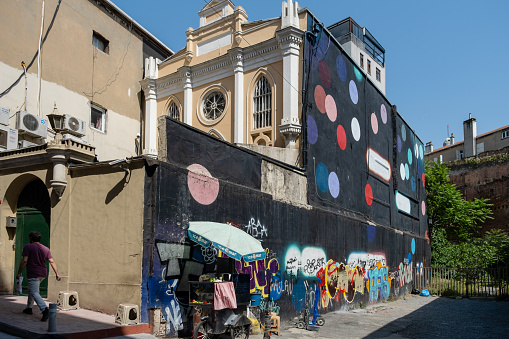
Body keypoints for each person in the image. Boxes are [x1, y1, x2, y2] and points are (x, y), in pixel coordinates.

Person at [16, 231, 61, 321]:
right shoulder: (46, 249)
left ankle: (44, 310)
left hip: (33, 273)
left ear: (31, 238)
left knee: (34, 292)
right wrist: (57, 273)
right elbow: (52, 261)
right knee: (31, 290)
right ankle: (29, 308)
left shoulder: (28, 247)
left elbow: (24, 260)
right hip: (43, 273)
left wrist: (19, 272)